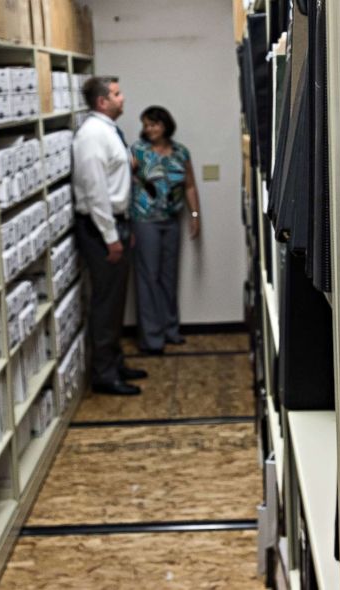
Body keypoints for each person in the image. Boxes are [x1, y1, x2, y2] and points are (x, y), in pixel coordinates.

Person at [72, 76, 147, 395]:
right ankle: (104, 374)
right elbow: (95, 191)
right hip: (102, 228)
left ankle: (115, 363)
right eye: (117, 94)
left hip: (118, 222)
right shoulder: (91, 136)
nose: (123, 98)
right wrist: (110, 237)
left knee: (116, 302)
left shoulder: (108, 132)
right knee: (106, 303)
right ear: (102, 102)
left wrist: (124, 226)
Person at [129, 106, 201, 354]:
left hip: (172, 220)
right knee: (148, 277)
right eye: (146, 125)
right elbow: (122, 182)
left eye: (154, 124)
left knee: (169, 277)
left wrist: (194, 215)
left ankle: (171, 330)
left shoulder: (181, 152)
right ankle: (152, 338)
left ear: (165, 125)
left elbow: (190, 185)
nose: (150, 129)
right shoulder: (138, 151)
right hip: (145, 220)